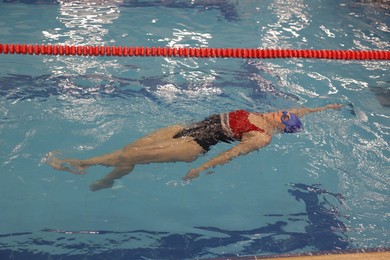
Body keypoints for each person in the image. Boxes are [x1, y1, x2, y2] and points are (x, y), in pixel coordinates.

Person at [47, 104, 343, 191]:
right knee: (128, 151)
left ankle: (91, 171)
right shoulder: (273, 116)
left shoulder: (262, 136)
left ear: (281, 126)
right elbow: (301, 112)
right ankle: (95, 174)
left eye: (284, 116)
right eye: (284, 111)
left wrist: (200, 168)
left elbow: (231, 153)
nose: (282, 111)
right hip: (183, 128)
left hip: (193, 145)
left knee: (129, 156)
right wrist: (326, 108)